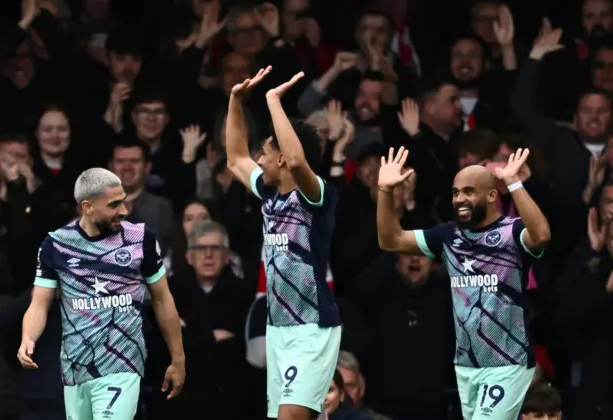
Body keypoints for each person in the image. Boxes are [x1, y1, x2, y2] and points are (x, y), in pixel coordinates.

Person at [376, 147, 551, 420]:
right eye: (456, 192)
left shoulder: (512, 231)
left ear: (492, 195)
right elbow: (391, 240)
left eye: (469, 191)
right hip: (467, 365)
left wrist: (514, 183)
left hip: (508, 361)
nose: (460, 198)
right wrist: (385, 191)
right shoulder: (448, 235)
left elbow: (540, 235)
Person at [16, 168, 186, 420]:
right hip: (75, 368)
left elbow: (162, 299)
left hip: (122, 363)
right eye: (114, 204)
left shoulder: (140, 240)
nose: (124, 211)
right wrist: (28, 337)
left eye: (123, 201)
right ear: (87, 207)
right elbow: (39, 304)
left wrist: (178, 357)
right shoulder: (56, 245)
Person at [226, 66, 341, 420]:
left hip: (312, 325)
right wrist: (235, 100)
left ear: (280, 158)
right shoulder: (268, 195)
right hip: (277, 328)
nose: (259, 159)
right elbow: (234, 159)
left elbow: (296, 159)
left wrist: (273, 100)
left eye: (265, 151)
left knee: (292, 416)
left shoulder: (316, 194)